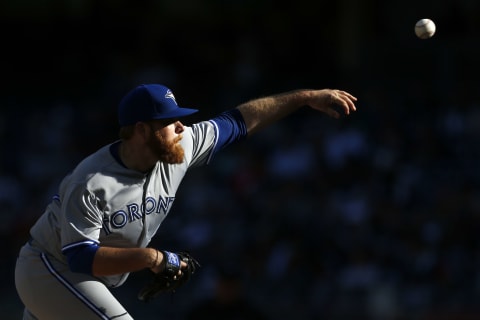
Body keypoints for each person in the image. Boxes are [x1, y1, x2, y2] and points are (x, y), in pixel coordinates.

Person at [14, 83, 357, 319]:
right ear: (142, 131)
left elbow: (238, 121)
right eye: (169, 121)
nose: (181, 126)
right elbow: (81, 258)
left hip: (80, 279)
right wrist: (153, 258)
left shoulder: (179, 148)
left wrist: (305, 97)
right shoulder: (92, 181)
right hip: (49, 268)